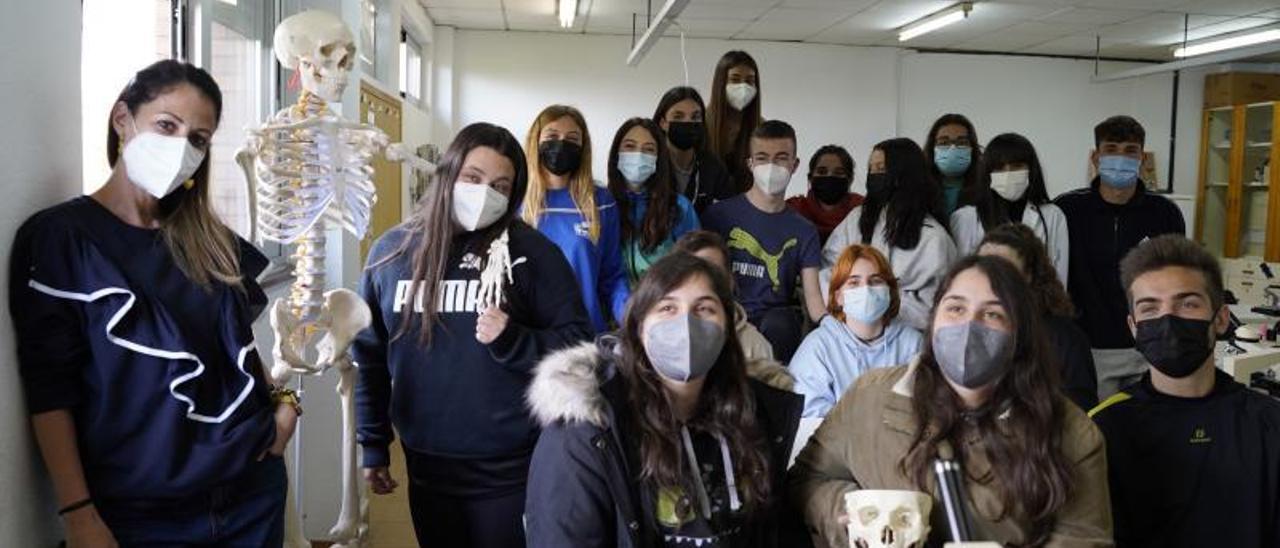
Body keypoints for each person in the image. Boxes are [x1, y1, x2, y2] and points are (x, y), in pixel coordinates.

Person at [9, 60, 294, 546]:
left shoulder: (209, 239)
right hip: (139, 514)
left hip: (250, 493)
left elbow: (235, 347)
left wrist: (284, 404)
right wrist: (77, 512)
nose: (181, 147)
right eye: (167, 125)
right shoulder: (62, 239)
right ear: (123, 119)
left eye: (198, 139)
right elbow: (49, 387)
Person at [354, 122, 593, 547]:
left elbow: (578, 347)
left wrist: (514, 341)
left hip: (510, 467)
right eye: (474, 178)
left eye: (501, 186)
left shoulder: (532, 254)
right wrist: (373, 441)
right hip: (426, 462)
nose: (486, 194)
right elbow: (369, 358)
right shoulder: (391, 254)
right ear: (448, 173)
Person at [790, 255, 1112, 547]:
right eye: (956, 308)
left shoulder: (1071, 433)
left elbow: (1083, 537)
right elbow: (806, 479)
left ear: (1021, 334)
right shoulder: (867, 398)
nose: (969, 326)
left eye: (992, 313)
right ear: (933, 321)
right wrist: (849, 515)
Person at [524, 253, 803, 547]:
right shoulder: (583, 434)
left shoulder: (752, 416)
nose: (686, 324)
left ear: (727, 330)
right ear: (639, 328)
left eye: (704, 308)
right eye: (668, 307)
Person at [1091, 235, 1280, 548]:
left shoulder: (1269, 426)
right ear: (1133, 327)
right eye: (1150, 308)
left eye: (1188, 304)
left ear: (1220, 319)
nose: (1168, 320)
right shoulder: (1102, 430)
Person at [1055, 115, 1185, 399]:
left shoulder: (1165, 212)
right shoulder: (1066, 210)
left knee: (1148, 432)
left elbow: (1177, 279)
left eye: (1130, 150)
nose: (1121, 157)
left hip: (1147, 345)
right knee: (1095, 432)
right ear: (1095, 156)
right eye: (1111, 149)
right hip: (1087, 348)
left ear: (1143, 158)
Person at [701, 120, 825, 364]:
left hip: (775, 323)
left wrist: (837, 330)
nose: (771, 166)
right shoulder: (718, 216)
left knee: (783, 323)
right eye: (762, 157)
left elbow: (814, 301)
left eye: (781, 158)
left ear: (794, 164)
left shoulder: (804, 230)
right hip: (725, 314)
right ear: (750, 163)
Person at [824, 138, 958, 331]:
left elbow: (937, 306)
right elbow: (829, 268)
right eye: (872, 170)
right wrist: (850, 301)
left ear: (904, 174)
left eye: (881, 169)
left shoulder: (933, 238)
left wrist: (882, 301)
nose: (874, 175)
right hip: (848, 327)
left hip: (906, 335)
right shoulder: (856, 219)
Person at [522, 104, 630, 333]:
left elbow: (612, 276)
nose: (562, 144)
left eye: (572, 139)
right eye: (552, 135)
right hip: (529, 337)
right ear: (536, 140)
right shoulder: (516, 202)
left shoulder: (601, 201)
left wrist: (631, 315)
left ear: (583, 147)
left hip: (584, 337)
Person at [790, 244, 923, 418]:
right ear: (838, 297)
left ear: (890, 291)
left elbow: (926, 408)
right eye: (854, 282)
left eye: (875, 281)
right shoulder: (817, 348)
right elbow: (808, 416)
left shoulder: (914, 345)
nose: (865, 289)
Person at [978, 223, 1098, 411]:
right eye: (984, 269)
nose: (993, 280)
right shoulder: (964, 329)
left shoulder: (1064, 338)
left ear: (1029, 277)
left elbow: (1081, 414)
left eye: (1006, 271)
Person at [673, 229, 794, 390]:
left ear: (730, 280)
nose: (701, 282)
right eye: (692, 273)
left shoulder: (755, 345)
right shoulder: (662, 335)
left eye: (712, 271)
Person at [952, 132, 1070, 284]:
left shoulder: (1052, 215)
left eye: (1017, 166)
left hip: (1036, 305)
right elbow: (958, 278)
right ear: (988, 173)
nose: (1008, 173)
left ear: (1031, 169)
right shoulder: (965, 218)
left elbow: (1059, 277)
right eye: (999, 168)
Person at [606, 117, 700, 283]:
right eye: (629, 146)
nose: (639, 155)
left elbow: (695, 266)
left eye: (649, 149)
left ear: (659, 159)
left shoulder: (679, 207)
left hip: (661, 304)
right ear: (616, 154)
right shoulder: (602, 205)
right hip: (612, 306)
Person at [652, 86, 735, 214]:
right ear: (663, 123)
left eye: (695, 117)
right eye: (678, 116)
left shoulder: (712, 167)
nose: (687, 122)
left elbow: (729, 210)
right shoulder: (651, 164)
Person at [706, 50, 763, 192]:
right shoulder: (703, 122)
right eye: (735, 79)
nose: (743, 87)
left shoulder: (761, 126)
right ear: (721, 83)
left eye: (750, 81)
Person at [786, 145, 864, 245]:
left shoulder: (862, 211)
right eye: (822, 172)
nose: (830, 176)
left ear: (850, 179)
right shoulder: (793, 210)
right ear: (810, 178)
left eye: (838, 173)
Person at [923, 113, 982, 216]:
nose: (952, 148)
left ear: (972, 148)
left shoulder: (985, 186)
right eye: (944, 142)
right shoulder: (920, 186)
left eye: (962, 142)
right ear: (932, 148)